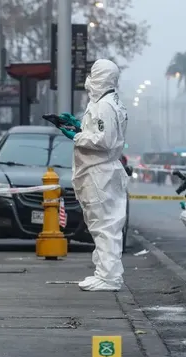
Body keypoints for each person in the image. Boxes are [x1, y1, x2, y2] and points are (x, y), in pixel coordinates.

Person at [59, 58, 129, 292]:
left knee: (104, 225)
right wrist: (80, 127)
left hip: (100, 173)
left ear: (100, 76)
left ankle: (109, 277)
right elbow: (102, 132)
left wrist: (77, 136)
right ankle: (104, 273)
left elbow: (104, 141)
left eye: (93, 73)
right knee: (101, 225)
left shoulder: (105, 106)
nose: (89, 79)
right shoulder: (108, 102)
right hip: (101, 171)